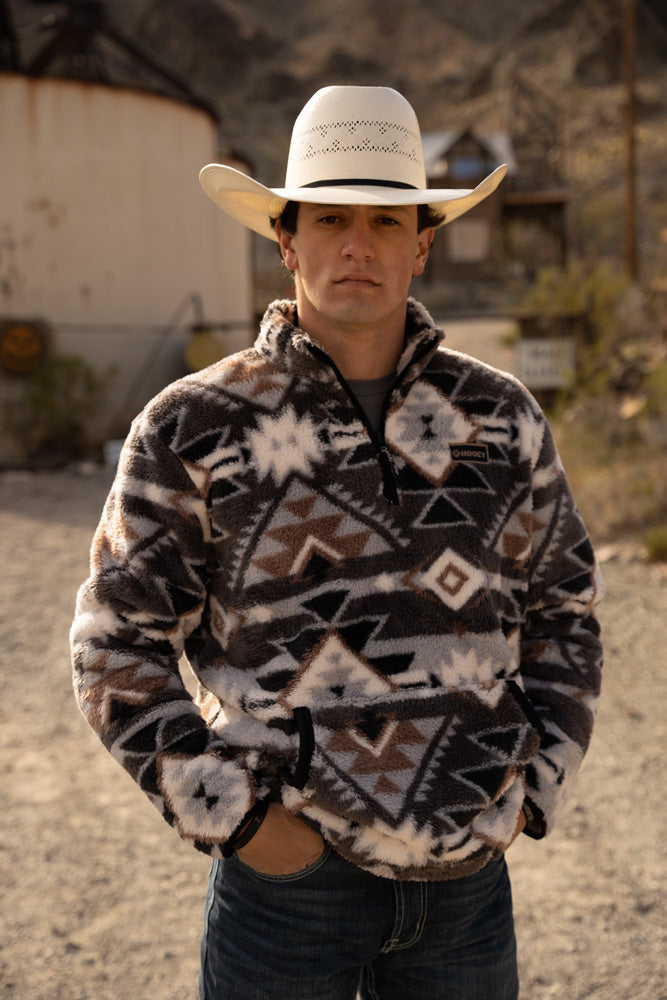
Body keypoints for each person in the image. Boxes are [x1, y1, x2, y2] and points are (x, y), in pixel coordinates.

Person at [71, 85, 604, 1000]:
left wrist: (530, 781)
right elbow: (113, 643)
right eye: (329, 219)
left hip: (465, 888)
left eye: (387, 222)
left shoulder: (500, 418)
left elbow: (566, 612)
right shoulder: (194, 426)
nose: (358, 245)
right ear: (285, 240)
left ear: (421, 244)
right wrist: (240, 823)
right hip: (287, 893)